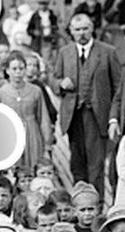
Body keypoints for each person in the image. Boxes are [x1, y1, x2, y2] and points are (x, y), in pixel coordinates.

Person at [49, 12, 120, 193]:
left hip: (97, 115)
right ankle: (79, 200)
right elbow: (54, 79)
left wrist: (114, 117)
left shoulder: (107, 52)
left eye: (85, 29)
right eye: (77, 29)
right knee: (76, 160)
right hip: (73, 114)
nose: (82, 33)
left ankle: (97, 204)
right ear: (71, 32)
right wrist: (60, 84)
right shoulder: (65, 53)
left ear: (92, 29)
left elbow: (118, 87)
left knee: (96, 163)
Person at [0, 54, 52, 178]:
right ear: (7, 71)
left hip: (32, 132)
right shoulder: (0, 94)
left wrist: (47, 144)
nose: (18, 72)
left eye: (21, 68)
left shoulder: (36, 91)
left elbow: (43, 118)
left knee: (33, 167)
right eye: (14, 69)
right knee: (13, 171)